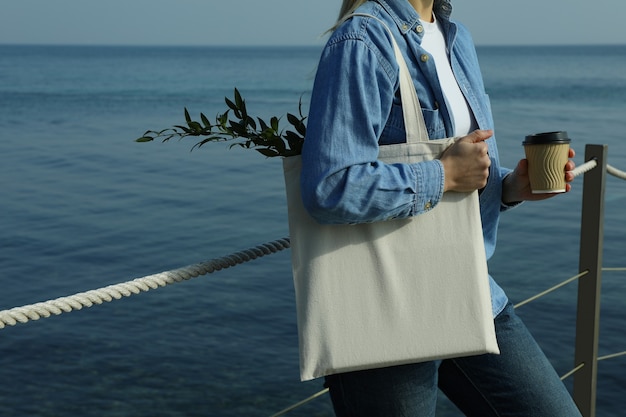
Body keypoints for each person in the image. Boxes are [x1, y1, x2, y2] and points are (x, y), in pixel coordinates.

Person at [300, 0, 582, 416]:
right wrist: (443, 176)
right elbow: (329, 186)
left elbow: (463, 168)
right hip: (384, 307)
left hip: (468, 289)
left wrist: (509, 187)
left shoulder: (457, 38)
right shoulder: (362, 38)